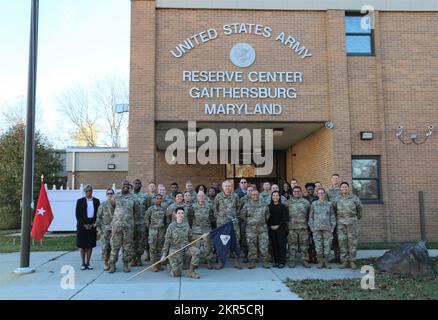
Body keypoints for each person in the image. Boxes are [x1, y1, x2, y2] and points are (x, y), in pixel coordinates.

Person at [160, 207, 200, 279]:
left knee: (196, 251)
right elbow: (167, 241)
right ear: (175, 215)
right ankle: (169, 265)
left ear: (184, 215)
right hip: (175, 250)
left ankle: (191, 271)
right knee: (176, 274)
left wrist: (200, 237)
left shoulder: (186, 225)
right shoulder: (171, 226)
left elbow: (191, 237)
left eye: (182, 213)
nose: (180, 215)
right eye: (179, 213)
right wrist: (164, 255)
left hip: (186, 248)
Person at [109, 181, 140, 273]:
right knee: (115, 245)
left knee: (127, 246)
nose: (125, 186)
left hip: (128, 226)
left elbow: (136, 211)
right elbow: (111, 209)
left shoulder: (133, 198)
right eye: (124, 185)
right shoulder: (115, 196)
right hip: (117, 226)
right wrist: (117, 219)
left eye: (127, 185)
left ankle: (126, 264)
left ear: (130, 187)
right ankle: (112, 264)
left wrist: (128, 219)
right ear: (121, 186)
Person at [333, 182, 363, 269]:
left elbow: (360, 208)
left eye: (346, 187)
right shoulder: (337, 199)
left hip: (352, 222)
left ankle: (352, 260)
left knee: (352, 241)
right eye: (342, 187)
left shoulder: (354, 198)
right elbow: (334, 209)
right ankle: (345, 261)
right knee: (342, 241)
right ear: (340, 189)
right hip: (341, 223)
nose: (344, 188)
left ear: (348, 188)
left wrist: (357, 217)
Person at [213, 180, 242, 269]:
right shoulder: (218, 196)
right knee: (222, 241)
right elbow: (215, 208)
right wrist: (219, 217)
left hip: (233, 223)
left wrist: (234, 216)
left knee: (236, 241)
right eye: (226, 186)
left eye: (229, 186)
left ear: (231, 187)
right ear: (222, 187)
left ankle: (236, 260)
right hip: (222, 223)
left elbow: (239, 207)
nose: (227, 187)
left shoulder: (235, 196)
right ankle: (221, 261)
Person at [240, 190, 270, 269]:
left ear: (259, 195)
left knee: (264, 245)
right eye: (253, 195)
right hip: (251, 229)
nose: (255, 196)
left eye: (256, 194)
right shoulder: (247, 205)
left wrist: (261, 221)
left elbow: (267, 215)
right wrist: (250, 221)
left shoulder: (264, 205)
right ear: (250, 196)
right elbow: (242, 215)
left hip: (262, 229)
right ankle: (252, 261)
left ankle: (265, 261)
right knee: (251, 246)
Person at [309, 188, 336, 269]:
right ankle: (320, 261)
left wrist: (332, 228)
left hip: (327, 228)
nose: (321, 194)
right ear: (317, 194)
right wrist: (312, 228)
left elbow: (332, 217)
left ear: (324, 194)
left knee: (327, 246)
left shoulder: (329, 204)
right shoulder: (314, 204)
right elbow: (310, 217)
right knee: (318, 246)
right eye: (319, 193)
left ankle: (326, 261)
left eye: (322, 193)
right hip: (317, 229)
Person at [75, 184, 100, 270]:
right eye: (87, 191)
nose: (88, 192)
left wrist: (93, 224)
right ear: (84, 192)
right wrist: (84, 224)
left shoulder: (96, 201)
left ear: (92, 191)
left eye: (90, 191)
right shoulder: (80, 201)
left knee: (90, 245)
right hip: (82, 226)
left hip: (92, 225)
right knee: (82, 245)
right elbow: (77, 215)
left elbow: (98, 214)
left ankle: (88, 263)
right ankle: (83, 263)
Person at [287, 186, 311, 268]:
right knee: (292, 245)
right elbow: (285, 215)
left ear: (301, 192)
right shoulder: (288, 202)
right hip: (292, 228)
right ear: (293, 193)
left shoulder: (306, 202)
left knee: (304, 245)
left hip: (303, 227)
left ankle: (305, 260)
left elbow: (309, 215)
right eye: (295, 191)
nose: (297, 193)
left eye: (298, 191)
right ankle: (292, 261)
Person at [190, 191, 215, 269]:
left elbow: (212, 216)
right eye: (199, 196)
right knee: (196, 246)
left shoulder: (209, 205)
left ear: (204, 197)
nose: (201, 197)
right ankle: (195, 262)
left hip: (206, 228)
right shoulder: (193, 206)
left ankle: (208, 260)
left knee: (207, 245)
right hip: (196, 229)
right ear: (197, 197)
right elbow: (190, 217)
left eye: (202, 196)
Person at [131, 179, 152, 266]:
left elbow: (148, 209)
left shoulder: (145, 195)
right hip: (131, 223)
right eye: (135, 183)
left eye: (139, 184)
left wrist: (147, 222)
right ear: (133, 185)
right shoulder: (129, 195)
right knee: (132, 241)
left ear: (141, 185)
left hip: (142, 223)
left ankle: (139, 258)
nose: (137, 185)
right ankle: (133, 258)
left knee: (140, 242)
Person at [145, 194, 167, 272]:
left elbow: (165, 220)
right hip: (153, 231)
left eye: (160, 198)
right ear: (154, 199)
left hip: (161, 231)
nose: (159, 200)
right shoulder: (150, 209)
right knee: (153, 248)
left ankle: (158, 264)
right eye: (157, 198)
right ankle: (153, 265)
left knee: (159, 248)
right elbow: (146, 219)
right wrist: (150, 228)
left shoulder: (164, 209)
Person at [95, 188, 115, 271]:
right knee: (105, 247)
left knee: (113, 247)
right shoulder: (102, 205)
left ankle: (112, 263)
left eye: (111, 193)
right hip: (105, 230)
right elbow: (98, 218)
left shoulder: (116, 204)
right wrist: (98, 229)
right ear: (106, 195)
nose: (110, 195)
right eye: (108, 193)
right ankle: (105, 262)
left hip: (114, 229)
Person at [267, 191, 288, 268]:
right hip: (272, 228)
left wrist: (278, 225)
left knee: (281, 245)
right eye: (274, 195)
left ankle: (282, 262)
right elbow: (267, 217)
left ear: (279, 197)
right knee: (274, 245)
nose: (275, 197)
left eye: (277, 195)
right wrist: (270, 225)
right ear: (272, 197)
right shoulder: (268, 206)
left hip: (281, 228)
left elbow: (285, 217)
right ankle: (276, 261)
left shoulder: (283, 206)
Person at [327, 174, 341, 263]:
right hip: (331, 217)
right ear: (331, 180)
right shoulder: (328, 190)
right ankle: (335, 256)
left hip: (340, 216)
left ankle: (340, 257)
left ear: (338, 180)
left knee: (340, 237)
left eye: (336, 178)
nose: (335, 180)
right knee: (333, 237)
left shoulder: (342, 189)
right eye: (333, 178)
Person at [304, 182, 318, 263]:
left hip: (316, 222)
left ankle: (315, 257)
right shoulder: (304, 199)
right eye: (309, 189)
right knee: (308, 241)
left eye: (312, 189)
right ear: (306, 190)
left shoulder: (317, 198)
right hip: (306, 222)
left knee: (315, 240)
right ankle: (309, 257)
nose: (310, 190)